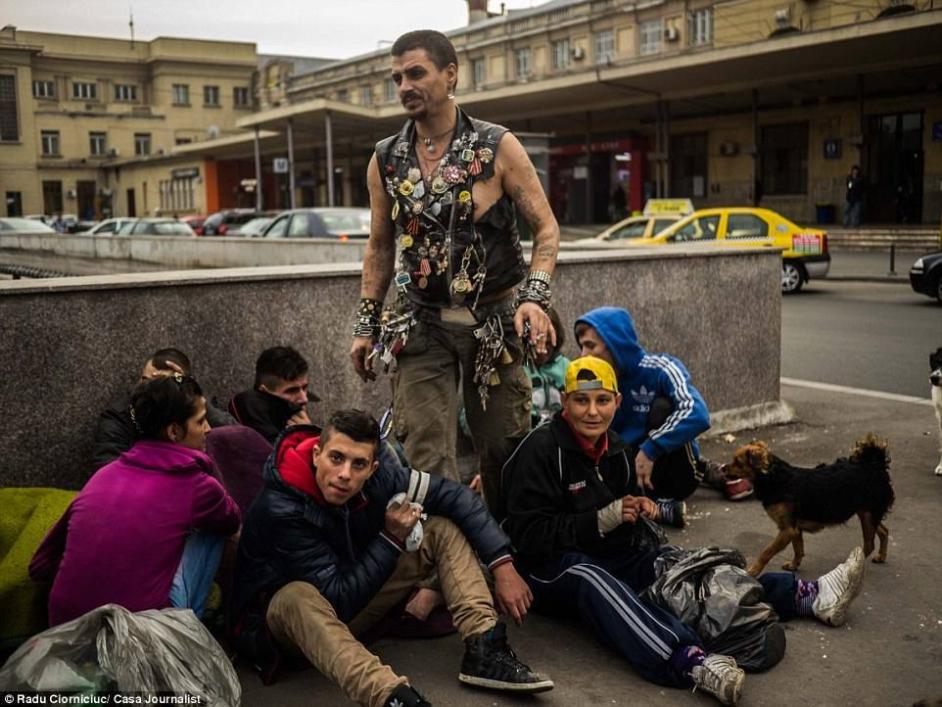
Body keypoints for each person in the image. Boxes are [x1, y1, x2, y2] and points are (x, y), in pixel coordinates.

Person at [501, 357, 868, 706]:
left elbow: (620, 518)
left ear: (617, 401)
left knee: (682, 566)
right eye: (581, 401)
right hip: (543, 569)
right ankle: (688, 661)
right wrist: (601, 519)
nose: (592, 411)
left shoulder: (618, 449)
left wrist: (639, 512)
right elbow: (527, 534)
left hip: (606, 549)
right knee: (591, 577)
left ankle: (807, 595)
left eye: (601, 400)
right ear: (565, 401)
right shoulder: (542, 449)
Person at [349, 29, 560, 516]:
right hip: (419, 322)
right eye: (397, 77)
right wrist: (366, 325)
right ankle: (444, 566)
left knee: (504, 445)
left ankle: (509, 551)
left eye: (416, 73)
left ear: (451, 74)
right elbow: (379, 246)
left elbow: (546, 229)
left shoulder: (497, 146)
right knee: (424, 451)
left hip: (495, 322)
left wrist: (535, 297)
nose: (405, 85)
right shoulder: (386, 158)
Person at [231, 409, 553, 706]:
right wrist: (390, 539)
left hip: (351, 599)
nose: (344, 474)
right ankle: (391, 697)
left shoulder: (382, 477)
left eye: (358, 464)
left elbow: (456, 496)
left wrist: (502, 564)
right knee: (295, 596)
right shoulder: (281, 508)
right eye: (336, 458)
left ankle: (485, 649)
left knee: (438, 528)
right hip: (284, 632)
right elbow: (337, 601)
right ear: (317, 455)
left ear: (372, 467)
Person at [31, 374, 241, 626]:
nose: (208, 429)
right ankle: (191, 631)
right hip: (139, 636)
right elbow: (231, 519)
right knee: (215, 527)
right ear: (174, 431)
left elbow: (40, 565)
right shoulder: (197, 485)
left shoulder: (103, 475)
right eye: (200, 421)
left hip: (64, 629)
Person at [574, 307, 752, 522]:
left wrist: (651, 449)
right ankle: (658, 507)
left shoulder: (660, 369)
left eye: (590, 346)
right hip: (625, 471)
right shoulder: (591, 378)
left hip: (670, 471)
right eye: (581, 346)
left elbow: (697, 413)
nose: (583, 355)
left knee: (662, 408)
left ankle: (700, 472)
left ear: (615, 344)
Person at [91, 347, 235, 472]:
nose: (148, 389)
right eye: (145, 380)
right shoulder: (120, 415)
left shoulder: (189, 408)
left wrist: (193, 397)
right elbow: (107, 470)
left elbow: (238, 440)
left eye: (160, 385)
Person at [229, 345, 318, 444]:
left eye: (304, 388)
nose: (304, 398)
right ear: (264, 392)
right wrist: (306, 437)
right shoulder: (251, 406)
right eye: (292, 390)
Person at [524, 306, 570, 427]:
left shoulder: (568, 368)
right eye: (535, 343)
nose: (541, 350)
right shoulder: (516, 370)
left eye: (548, 343)